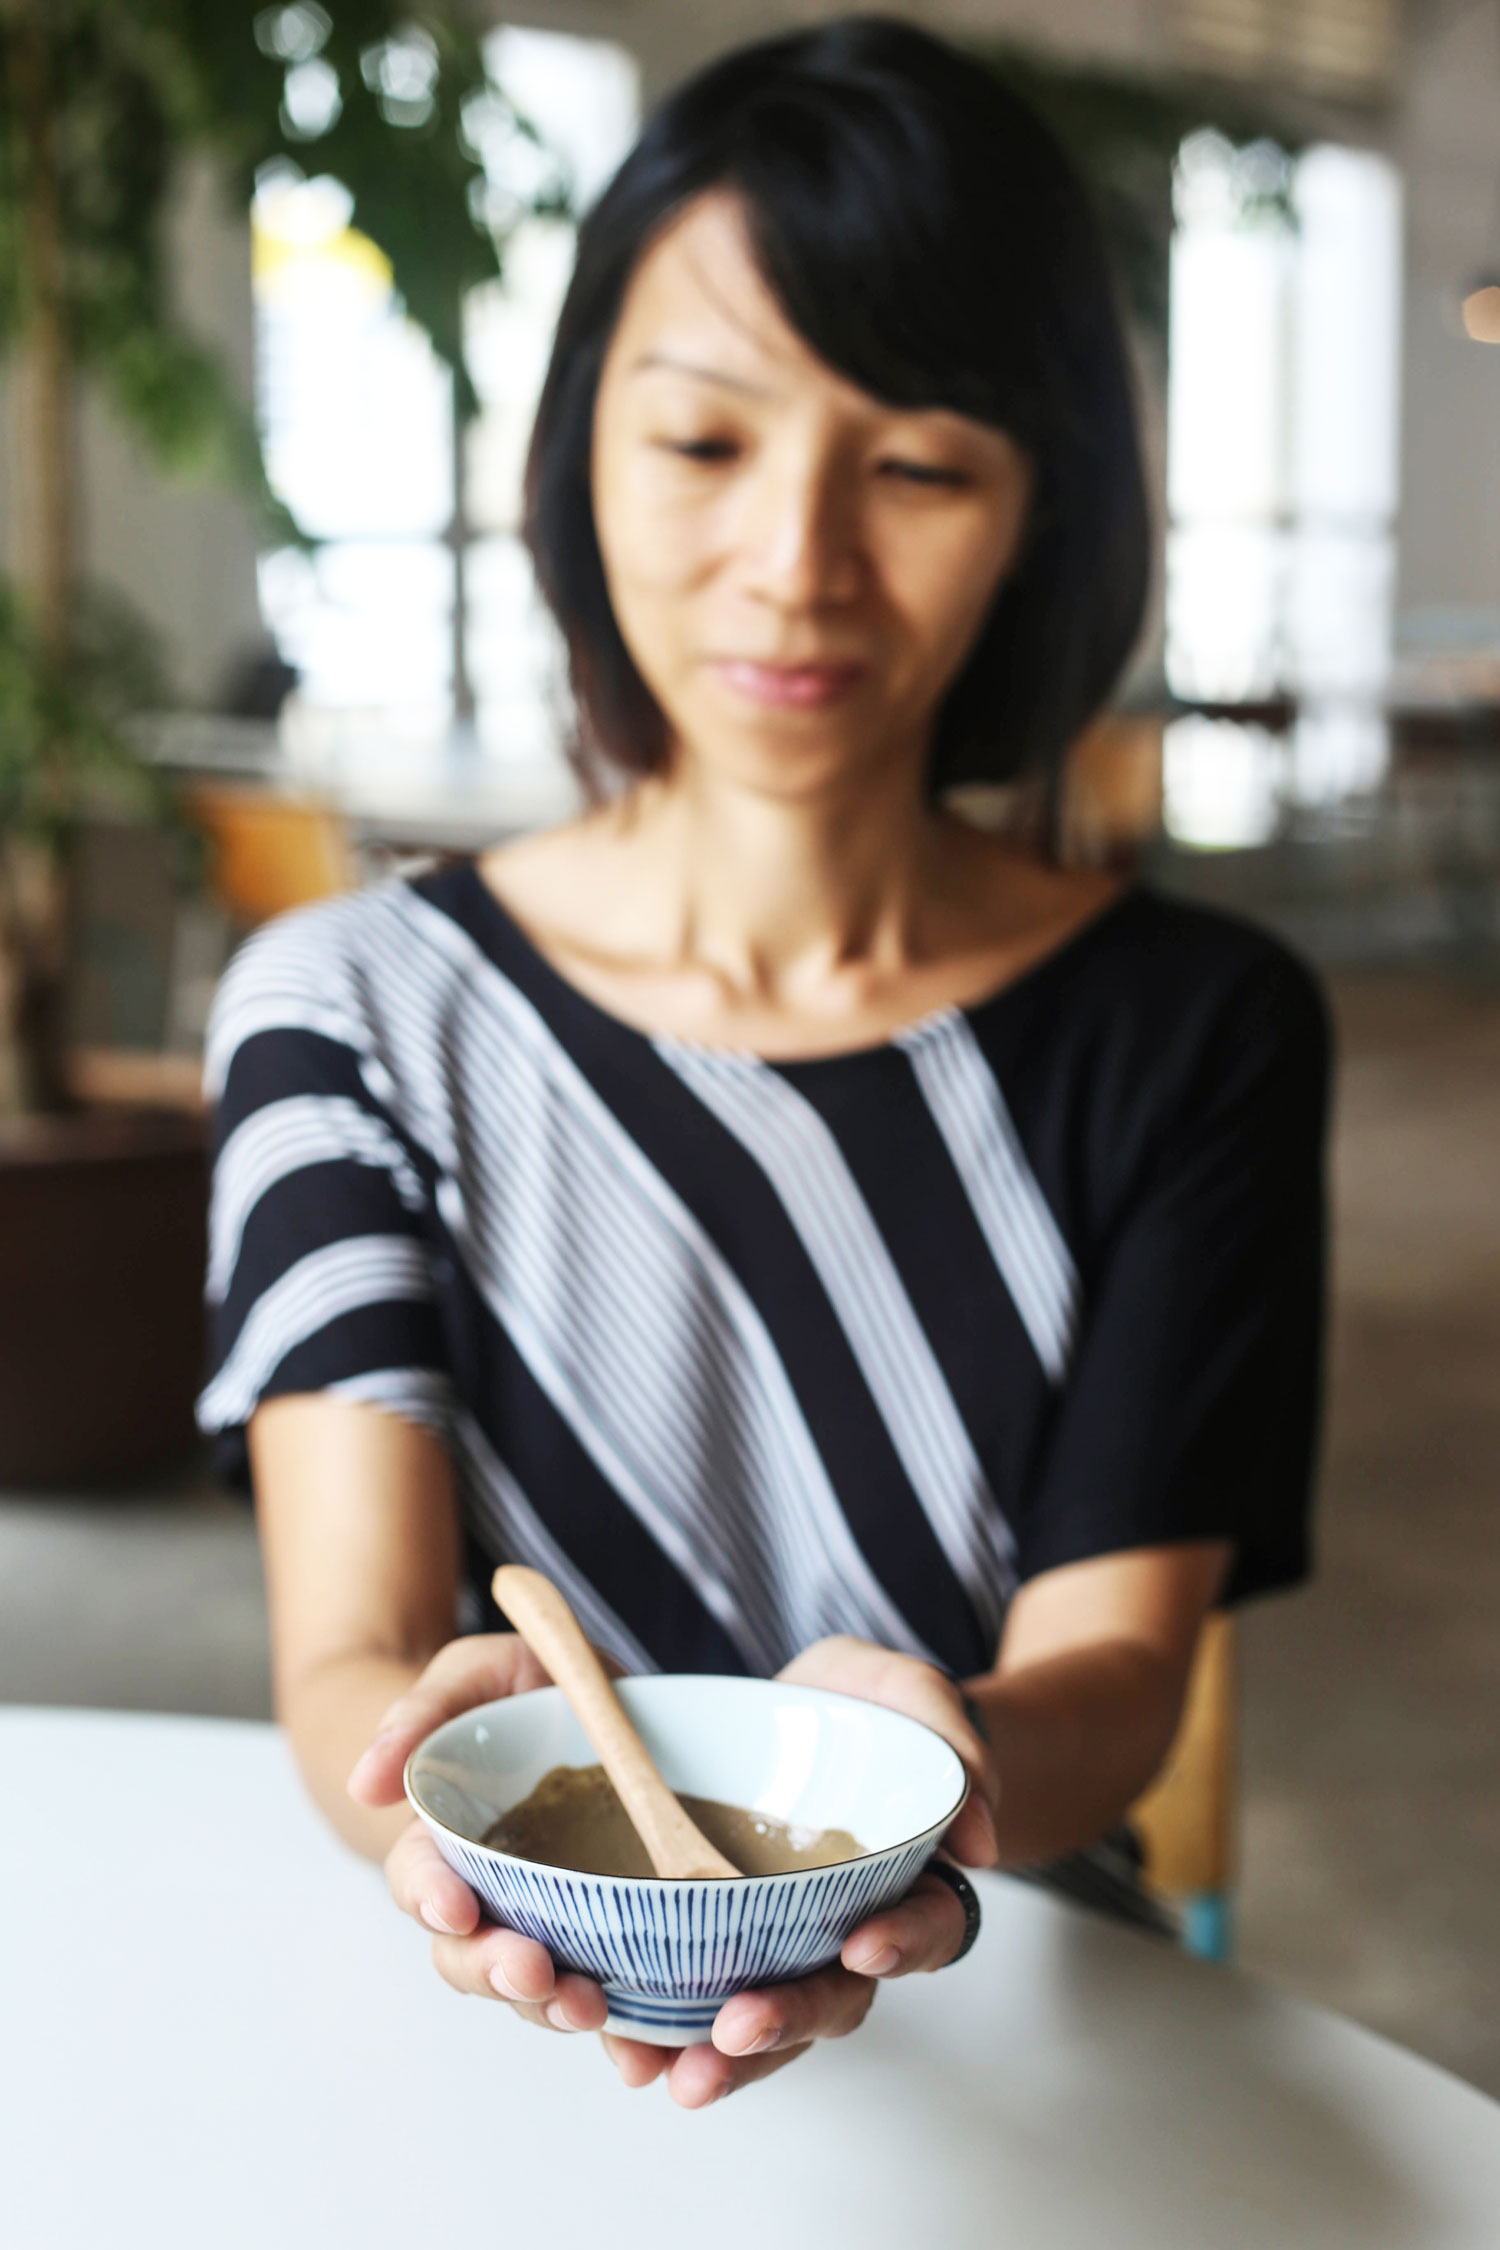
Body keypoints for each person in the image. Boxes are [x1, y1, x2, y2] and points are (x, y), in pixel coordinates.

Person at [200, 17, 1328, 2111]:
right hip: (479, 2033)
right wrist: (449, 1821)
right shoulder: (348, 1009)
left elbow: (1121, 1675)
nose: (796, 560)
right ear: (578, 449)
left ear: (1035, 515)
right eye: (708, 442)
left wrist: (948, 1749)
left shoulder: (1197, 1032)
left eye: (914, 464)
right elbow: (347, 1658)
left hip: (1022, 2019)